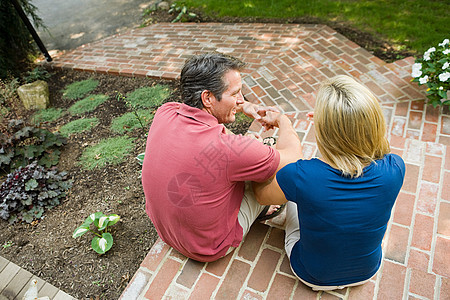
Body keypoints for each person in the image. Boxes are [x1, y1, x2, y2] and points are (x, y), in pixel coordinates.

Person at [141, 53, 300, 262]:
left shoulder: (166, 111)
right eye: (235, 94)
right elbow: (293, 160)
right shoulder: (230, 148)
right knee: (284, 176)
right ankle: (261, 208)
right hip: (208, 247)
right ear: (207, 98)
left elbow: (216, 140)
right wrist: (283, 121)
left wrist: (244, 107)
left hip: (167, 232)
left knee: (237, 160)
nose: (241, 99)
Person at [254, 75, 405, 290]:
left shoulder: (301, 175)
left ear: (324, 128)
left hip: (312, 274)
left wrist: (280, 126)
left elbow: (261, 196)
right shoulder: (396, 167)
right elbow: (376, 148)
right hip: (368, 270)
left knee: (295, 199)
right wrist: (342, 124)